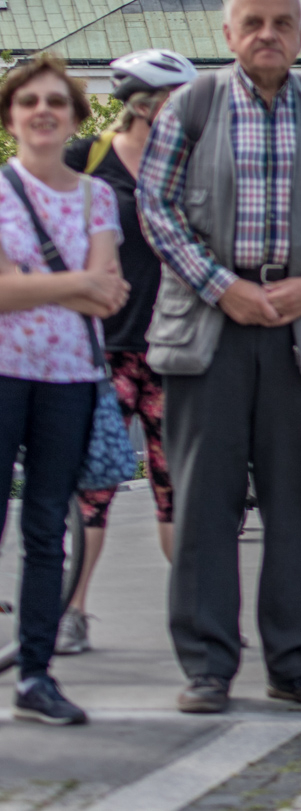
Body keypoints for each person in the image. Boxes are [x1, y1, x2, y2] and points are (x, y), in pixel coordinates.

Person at [139, 0, 301, 713]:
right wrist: (222, 285)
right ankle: (208, 667)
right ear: (228, 33)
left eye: (282, 23)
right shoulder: (193, 106)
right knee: (205, 501)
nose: (267, 33)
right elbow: (157, 207)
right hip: (211, 324)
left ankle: (299, 661)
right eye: (253, 22)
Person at [0, 54, 129, 725]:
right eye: (29, 102)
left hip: (71, 377)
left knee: (48, 526)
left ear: (75, 116)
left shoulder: (96, 196)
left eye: (56, 101)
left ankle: (36, 674)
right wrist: (73, 284)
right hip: (2, 375)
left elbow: (108, 294)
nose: (43, 111)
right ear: (12, 116)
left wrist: (36, 282)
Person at [58, 49, 195, 655]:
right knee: (93, 489)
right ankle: (73, 610)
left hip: (171, 351)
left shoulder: (189, 168)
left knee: (176, 490)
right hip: (103, 352)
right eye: (176, 103)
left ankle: (195, 615)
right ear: (146, 103)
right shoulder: (85, 161)